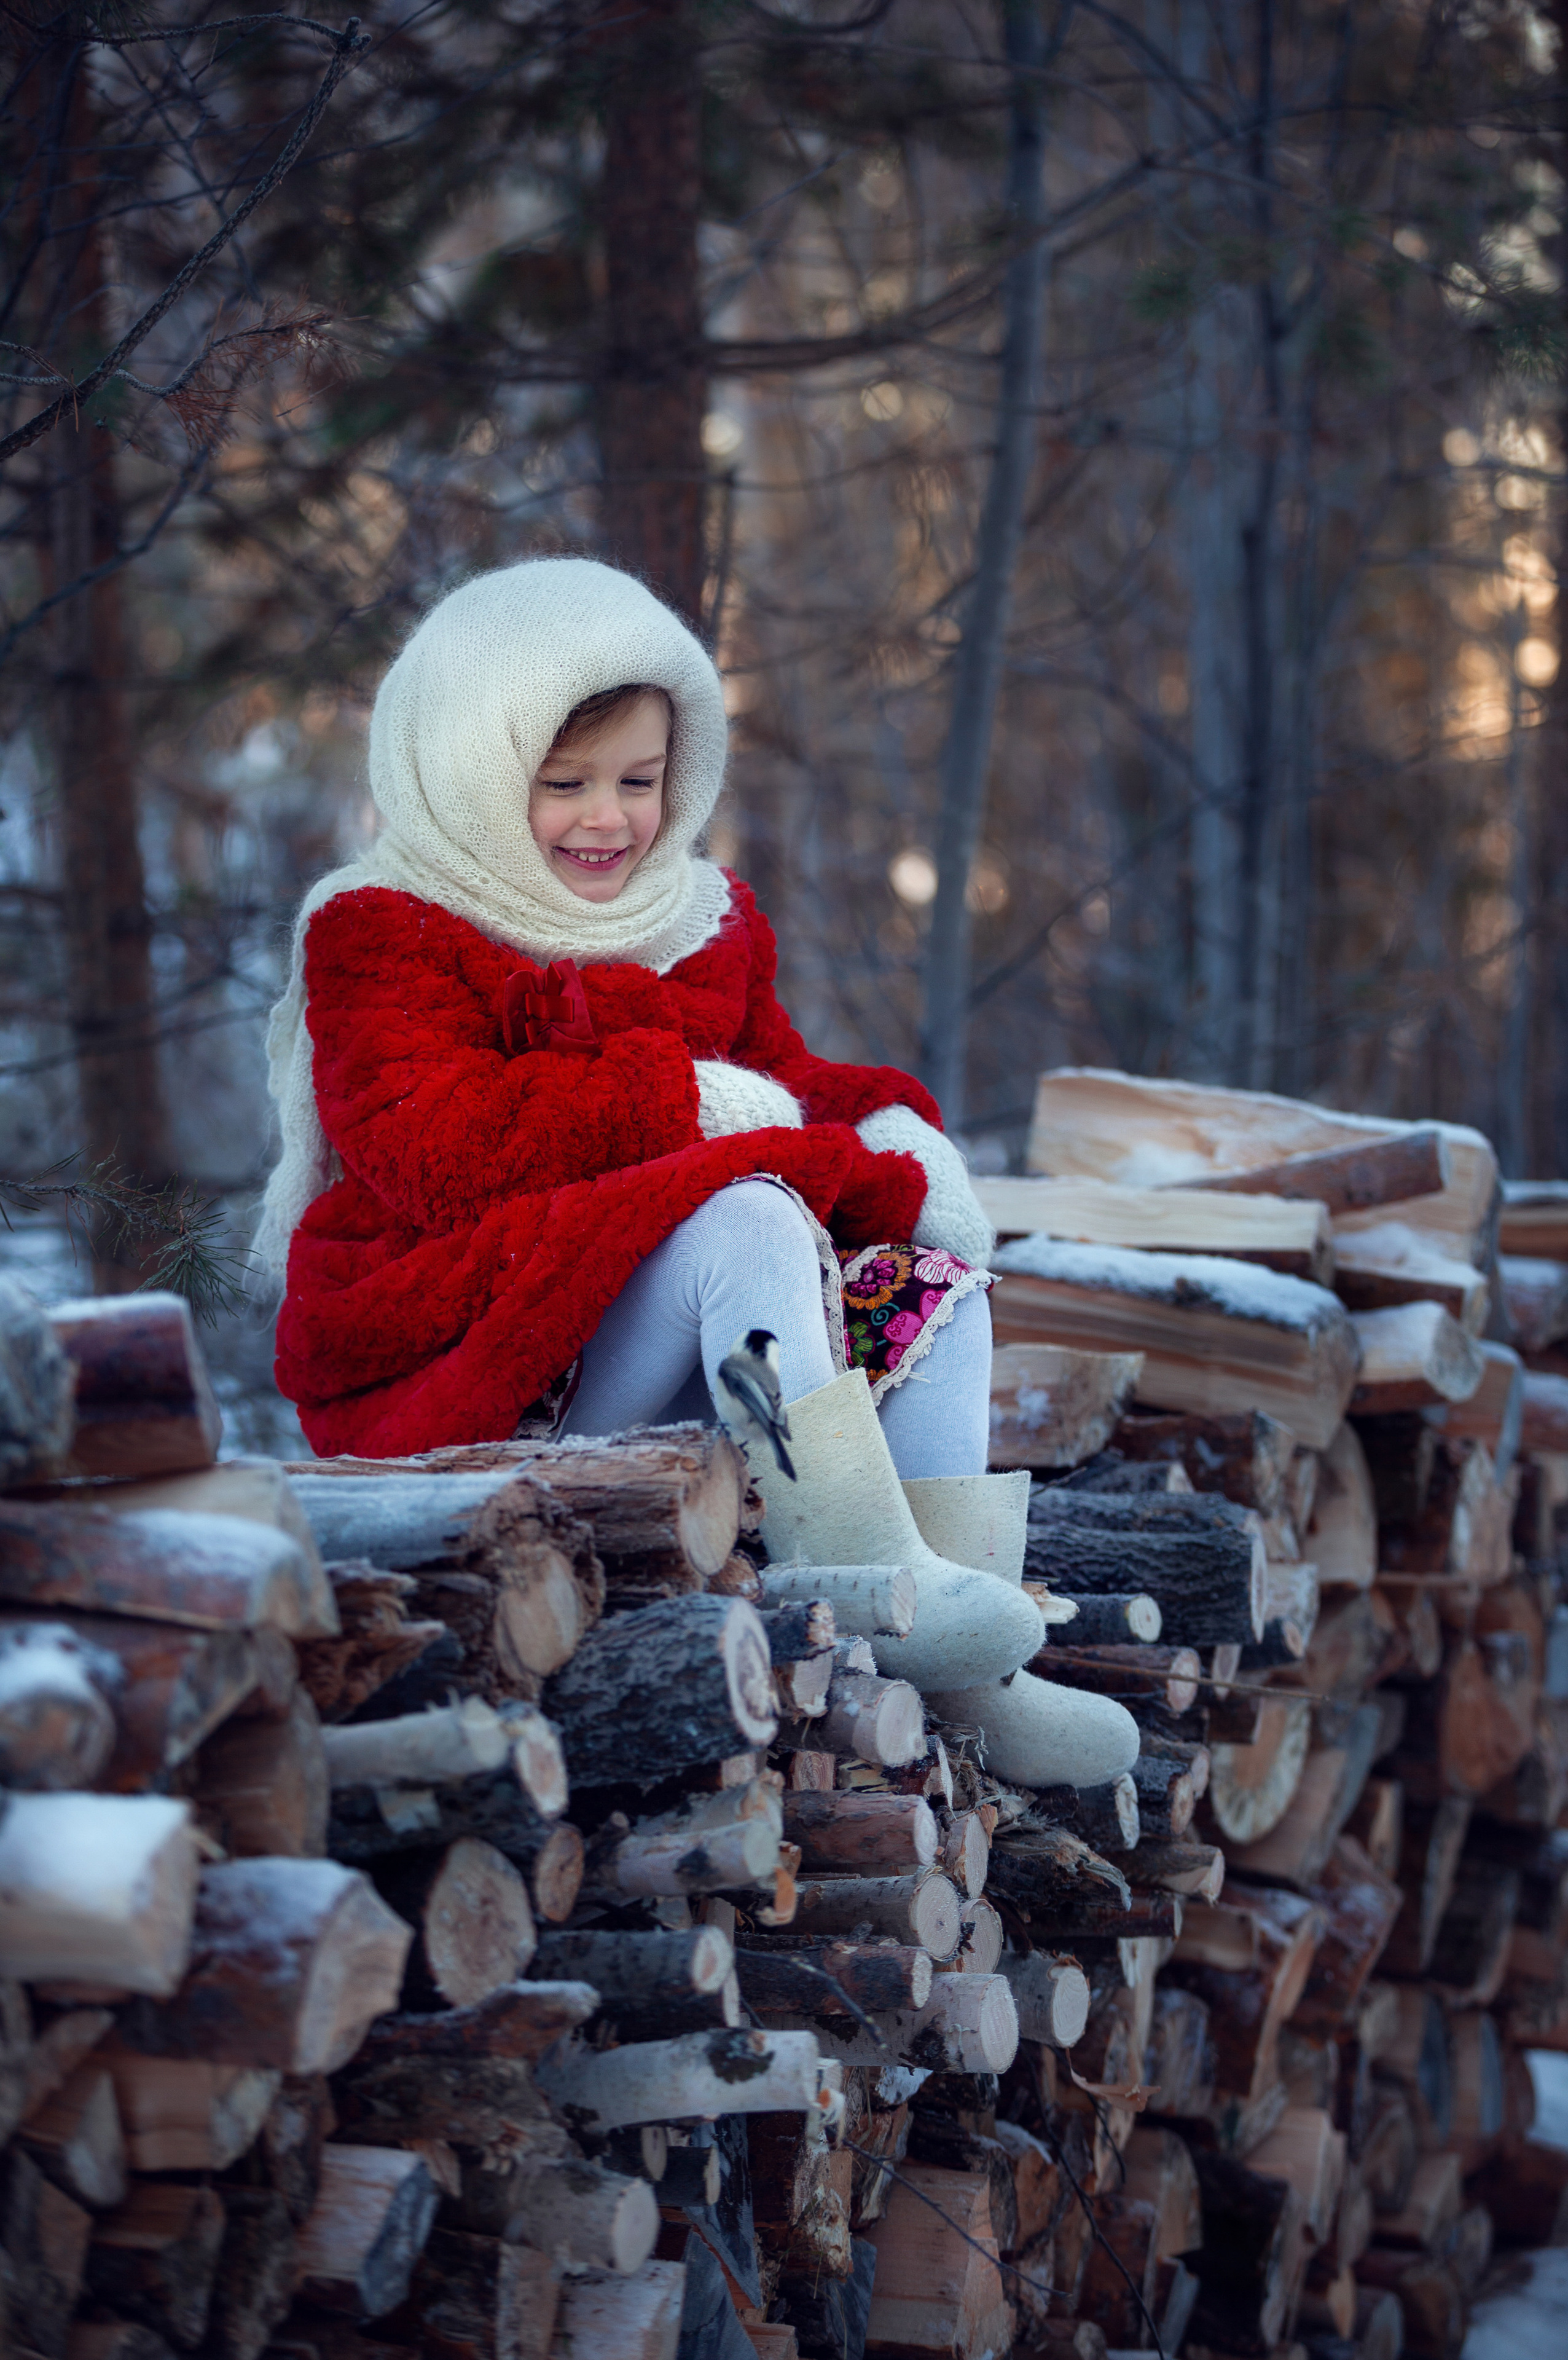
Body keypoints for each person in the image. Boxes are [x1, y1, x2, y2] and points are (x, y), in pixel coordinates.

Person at [257, 557, 1138, 1785]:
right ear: (468, 772)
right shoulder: (383, 927)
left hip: (671, 1359)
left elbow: (777, 1078)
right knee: (741, 1213)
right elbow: (430, 1150)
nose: (607, 819)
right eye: (560, 785)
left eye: (637, 778)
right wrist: (673, 1105)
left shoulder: (700, 917)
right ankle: (849, 1565)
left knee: (929, 1279)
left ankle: (968, 1664)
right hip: (482, 1370)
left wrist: (889, 1130)